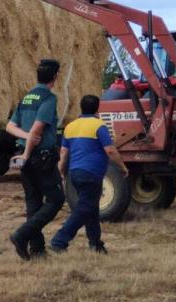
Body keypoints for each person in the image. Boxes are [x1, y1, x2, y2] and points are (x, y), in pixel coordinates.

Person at [50, 95, 128, 254]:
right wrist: (122, 166)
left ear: (81, 107)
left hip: (75, 173)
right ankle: (59, 240)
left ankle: (96, 244)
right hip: (91, 173)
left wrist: (61, 172)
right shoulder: (99, 126)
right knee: (83, 209)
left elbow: (64, 153)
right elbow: (110, 150)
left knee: (91, 209)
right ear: (97, 108)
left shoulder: (70, 126)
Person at [6, 59, 65, 261]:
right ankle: (21, 235)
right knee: (56, 199)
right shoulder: (48, 98)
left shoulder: (27, 97)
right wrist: (27, 151)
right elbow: (37, 128)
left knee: (34, 203)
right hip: (40, 157)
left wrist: (24, 139)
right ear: (55, 77)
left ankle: (37, 250)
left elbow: (10, 127)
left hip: (27, 158)